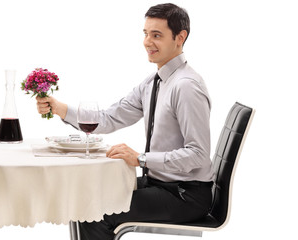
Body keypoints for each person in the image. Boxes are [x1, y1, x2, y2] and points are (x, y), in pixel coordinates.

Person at [36, 3, 214, 240]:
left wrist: (140, 159)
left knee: (95, 212)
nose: (147, 42)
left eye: (157, 35)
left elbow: (198, 154)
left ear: (180, 37)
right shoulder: (153, 82)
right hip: (160, 184)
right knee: (83, 199)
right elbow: (109, 118)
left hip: (185, 195)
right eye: (146, 34)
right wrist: (60, 109)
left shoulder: (187, 87)